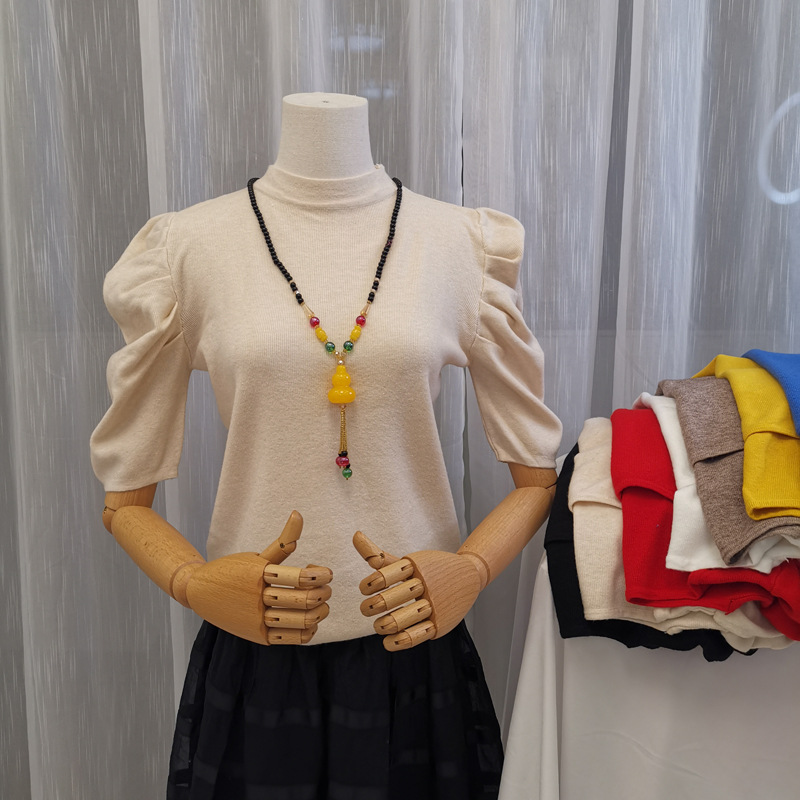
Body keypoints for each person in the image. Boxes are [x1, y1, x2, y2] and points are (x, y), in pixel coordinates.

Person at [91, 92, 562, 799]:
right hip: (255, 648)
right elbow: (124, 499)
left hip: (414, 645)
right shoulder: (187, 250)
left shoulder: (459, 245)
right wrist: (193, 583)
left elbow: (538, 477)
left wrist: (469, 569)